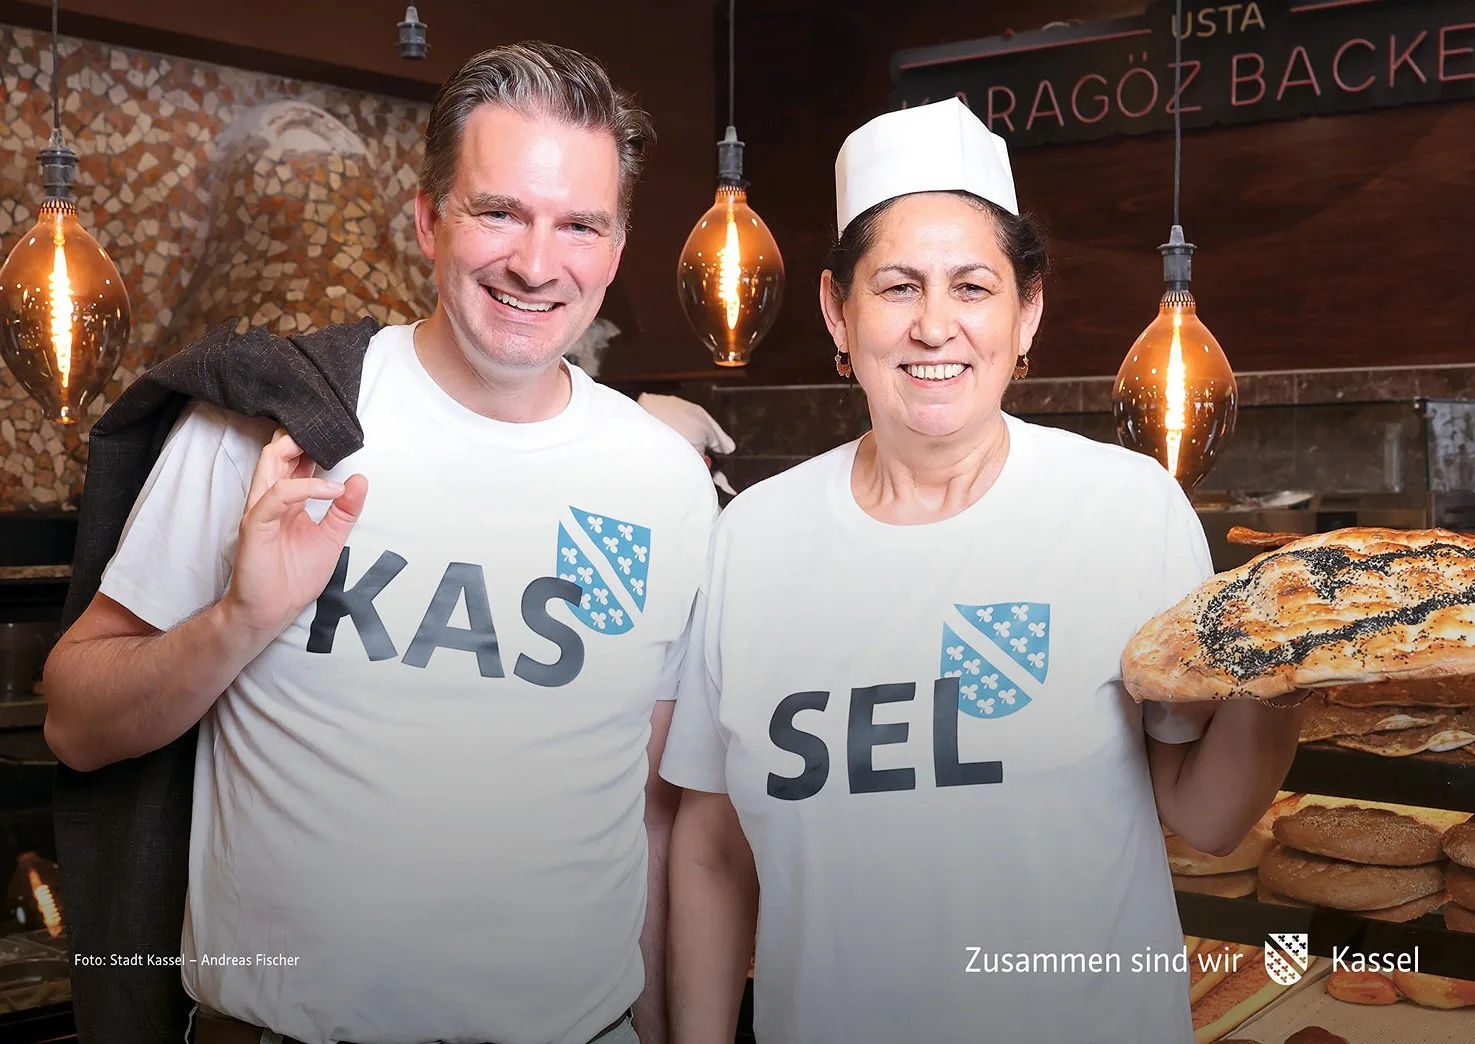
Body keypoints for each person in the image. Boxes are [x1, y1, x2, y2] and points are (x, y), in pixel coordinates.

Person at [43, 42, 714, 1044]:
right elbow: (74, 723)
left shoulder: (663, 483)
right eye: (499, 213)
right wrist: (238, 622)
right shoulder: (280, 426)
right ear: (428, 219)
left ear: (615, 250)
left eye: (578, 225)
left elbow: (656, 819)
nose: (537, 264)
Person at [659, 98, 1310, 1044]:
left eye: (971, 287)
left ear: (1026, 312)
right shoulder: (751, 537)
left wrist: (1290, 665)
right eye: (897, 287)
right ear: (837, 312)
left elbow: (1205, 818)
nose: (935, 327)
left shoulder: (1125, 510)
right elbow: (713, 850)